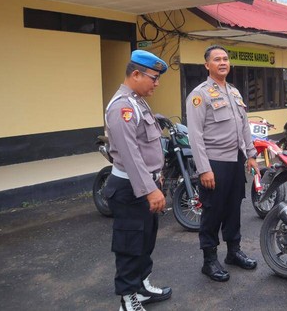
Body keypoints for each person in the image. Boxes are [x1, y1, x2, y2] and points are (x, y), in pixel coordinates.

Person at [103, 50, 172, 311]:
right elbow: (131, 155)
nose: (157, 83)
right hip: (131, 189)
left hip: (145, 185)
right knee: (130, 244)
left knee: (145, 241)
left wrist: (157, 177)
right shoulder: (122, 107)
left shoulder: (137, 101)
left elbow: (147, 146)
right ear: (135, 74)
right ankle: (128, 298)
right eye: (153, 78)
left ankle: (141, 286)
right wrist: (149, 190)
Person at [186, 45, 259, 283]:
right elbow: (195, 136)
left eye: (225, 58)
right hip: (214, 163)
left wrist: (250, 154)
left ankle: (233, 252)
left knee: (233, 208)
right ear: (207, 65)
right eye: (217, 59)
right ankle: (209, 260)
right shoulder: (200, 94)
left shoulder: (234, 92)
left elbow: (244, 126)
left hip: (235, 160)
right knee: (212, 211)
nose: (222, 62)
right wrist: (204, 168)